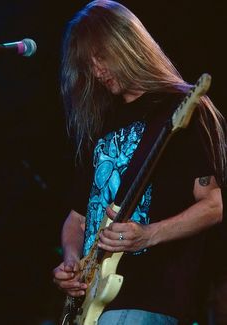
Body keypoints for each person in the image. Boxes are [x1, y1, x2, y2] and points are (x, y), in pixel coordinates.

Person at [53, 1, 227, 324]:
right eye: (87, 63)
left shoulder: (182, 109)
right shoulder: (102, 123)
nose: (95, 70)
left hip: (148, 297)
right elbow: (77, 218)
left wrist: (148, 235)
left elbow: (214, 205)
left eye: (100, 56)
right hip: (89, 304)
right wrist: (71, 259)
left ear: (126, 44)